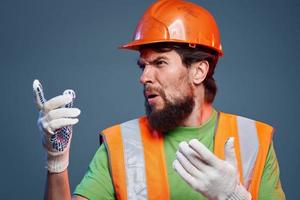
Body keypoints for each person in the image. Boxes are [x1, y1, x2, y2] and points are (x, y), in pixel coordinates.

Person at [33, 0, 285, 199]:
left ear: (199, 71)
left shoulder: (254, 140)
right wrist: (57, 161)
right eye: (143, 65)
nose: (144, 77)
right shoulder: (121, 142)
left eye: (159, 63)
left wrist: (235, 198)